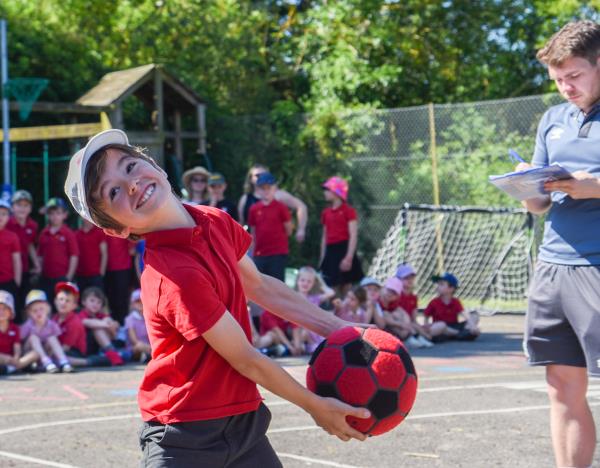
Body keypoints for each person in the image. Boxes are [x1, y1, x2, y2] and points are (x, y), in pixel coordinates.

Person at [64, 129, 370, 467]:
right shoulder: (172, 274)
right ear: (116, 229)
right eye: (113, 192)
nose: (131, 184)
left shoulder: (214, 220)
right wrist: (315, 404)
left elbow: (260, 285)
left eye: (130, 166)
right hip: (183, 437)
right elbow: (246, 359)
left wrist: (341, 329)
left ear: (153, 164)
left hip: (244, 426)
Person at [516, 20, 600, 468]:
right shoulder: (552, 120)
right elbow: (540, 204)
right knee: (562, 386)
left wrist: (594, 186)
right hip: (553, 265)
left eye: (574, 76)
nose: (565, 88)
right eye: (558, 79)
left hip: (598, 268)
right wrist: (529, 190)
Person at [238, 164, 307, 242]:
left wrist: (301, 229)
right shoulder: (245, 198)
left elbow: (301, 206)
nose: (261, 177)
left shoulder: (278, 195)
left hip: (274, 246)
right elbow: (241, 223)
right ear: (251, 179)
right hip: (251, 245)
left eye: (264, 174)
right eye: (257, 175)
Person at [319, 176, 363, 293]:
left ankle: (346, 311)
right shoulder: (325, 213)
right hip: (331, 251)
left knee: (347, 287)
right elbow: (324, 237)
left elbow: (353, 234)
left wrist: (348, 258)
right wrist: (322, 258)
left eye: (328, 189)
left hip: (344, 249)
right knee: (331, 287)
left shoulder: (349, 211)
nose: (325, 192)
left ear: (336, 192)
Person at [248, 172, 293, 282]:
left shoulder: (281, 207)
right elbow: (253, 232)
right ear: (258, 190)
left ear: (275, 189)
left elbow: (289, 229)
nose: (266, 191)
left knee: (277, 284)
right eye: (263, 188)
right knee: (259, 285)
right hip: (259, 253)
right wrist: (252, 252)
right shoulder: (254, 209)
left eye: (269, 187)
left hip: (277, 253)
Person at [37, 197, 79, 304]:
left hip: (62, 277)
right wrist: (39, 271)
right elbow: (40, 255)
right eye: (51, 213)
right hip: (46, 277)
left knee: (62, 305)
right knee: (48, 304)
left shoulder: (68, 233)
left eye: (58, 213)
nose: (55, 216)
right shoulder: (44, 233)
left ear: (65, 215)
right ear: (48, 215)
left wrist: (69, 276)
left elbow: (74, 256)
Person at [20, 289, 73, 373]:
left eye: (41, 309)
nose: (38, 313)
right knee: (33, 337)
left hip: (47, 352)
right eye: (35, 311)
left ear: (47, 309)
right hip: (31, 354)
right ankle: (45, 361)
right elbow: (20, 340)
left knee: (52, 337)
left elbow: (57, 340)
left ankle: (63, 361)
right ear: (29, 313)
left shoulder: (52, 324)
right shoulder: (28, 325)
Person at [8, 190, 41, 314]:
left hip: (25, 268)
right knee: (10, 299)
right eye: (19, 205)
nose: (22, 208)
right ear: (12, 207)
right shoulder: (7, 223)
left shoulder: (33, 225)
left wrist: (37, 263)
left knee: (24, 298)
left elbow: (30, 245)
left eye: (26, 205)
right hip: (8, 269)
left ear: (30, 208)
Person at [423, 273, 480, 342]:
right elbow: (426, 316)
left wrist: (473, 326)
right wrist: (426, 327)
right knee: (441, 325)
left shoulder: (455, 301)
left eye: (441, 284)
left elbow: (464, 314)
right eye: (438, 284)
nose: (437, 286)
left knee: (474, 316)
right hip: (442, 327)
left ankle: (461, 333)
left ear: (451, 289)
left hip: (454, 326)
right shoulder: (434, 302)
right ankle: (461, 334)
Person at [378, 277, 431, 348]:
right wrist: (401, 324)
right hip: (380, 327)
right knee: (388, 314)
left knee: (399, 313)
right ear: (383, 288)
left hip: (394, 327)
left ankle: (414, 337)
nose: (390, 294)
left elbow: (404, 314)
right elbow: (387, 319)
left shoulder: (393, 303)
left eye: (394, 293)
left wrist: (405, 323)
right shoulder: (377, 300)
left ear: (397, 296)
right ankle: (408, 338)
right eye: (389, 290)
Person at [294, 266, 335, 354]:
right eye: (302, 280)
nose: (305, 283)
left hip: (313, 331)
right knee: (304, 330)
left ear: (313, 283)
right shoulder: (293, 296)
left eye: (309, 281)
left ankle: (308, 346)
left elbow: (331, 293)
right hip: (297, 329)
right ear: (297, 281)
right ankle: (301, 345)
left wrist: (319, 280)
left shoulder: (314, 298)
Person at [79, 286, 124, 365]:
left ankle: (110, 353)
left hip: (99, 346)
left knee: (106, 321)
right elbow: (85, 322)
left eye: (99, 302)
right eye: (92, 301)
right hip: (85, 347)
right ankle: (113, 354)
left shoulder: (101, 315)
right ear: (83, 302)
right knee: (97, 328)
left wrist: (110, 323)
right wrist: (105, 324)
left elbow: (113, 326)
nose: (95, 304)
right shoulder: (81, 314)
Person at [0, 290, 38, 375]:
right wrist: (6, 358)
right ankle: (14, 368)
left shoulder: (14, 328)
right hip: (2, 357)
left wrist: (16, 357)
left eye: (5, 308)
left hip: (12, 359)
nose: (1, 312)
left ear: (11, 312)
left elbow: (17, 346)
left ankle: (10, 368)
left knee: (35, 354)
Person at [395, 264, 434, 346]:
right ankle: (411, 338)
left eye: (411, 277)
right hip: (399, 324)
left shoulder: (414, 297)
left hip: (410, 324)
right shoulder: (396, 295)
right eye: (406, 278)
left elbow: (414, 318)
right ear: (398, 280)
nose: (410, 280)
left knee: (418, 326)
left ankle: (419, 337)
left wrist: (423, 331)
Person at [104, 235, 134, 324]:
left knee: (122, 298)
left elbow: (132, 250)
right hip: (107, 268)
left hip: (123, 268)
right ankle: (115, 324)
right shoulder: (103, 229)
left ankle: (123, 324)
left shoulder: (124, 230)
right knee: (111, 298)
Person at [0, 199, 22, 315]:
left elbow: (17, 260)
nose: (0, 217)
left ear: (9, 217)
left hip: (8, 282)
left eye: (3, 214)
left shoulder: (12, 236)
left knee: (9, 313)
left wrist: (16, 282)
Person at [75, 217, 108, 292]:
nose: (87, 219)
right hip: (80, 274)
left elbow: (104, 254)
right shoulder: (76, 234)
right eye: (84, 217)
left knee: (97, 297)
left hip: (96, 274)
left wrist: (101, 272)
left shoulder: (99, 233)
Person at [124, 289, 151, 362]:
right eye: (137, 301)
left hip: (149, 347)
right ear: (133, 304)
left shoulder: (150, 317)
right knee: (139, 346)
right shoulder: (129, 319)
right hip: (134, 349)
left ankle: (148, 355)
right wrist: (148, 347)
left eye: (142, 300)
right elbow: (134, 340)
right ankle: (148, 355)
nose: (140, 303)